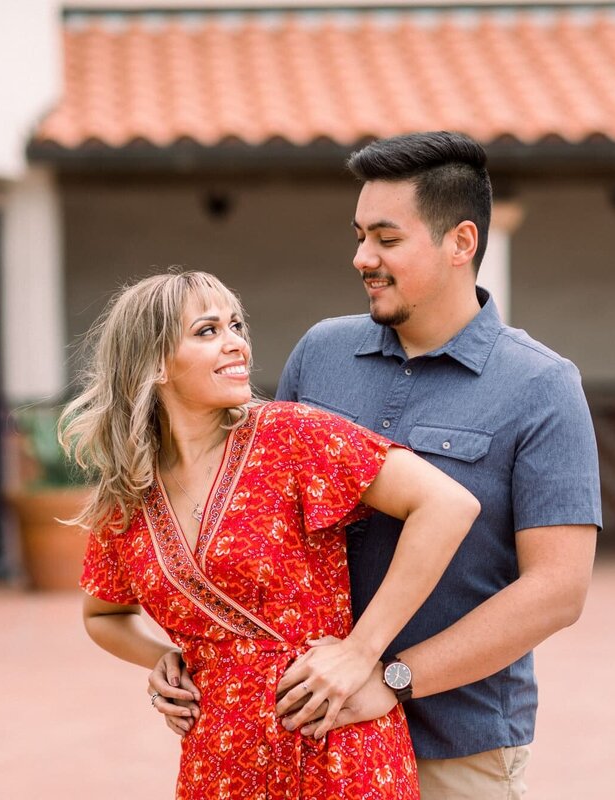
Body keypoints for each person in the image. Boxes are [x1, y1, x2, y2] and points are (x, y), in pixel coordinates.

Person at [150, 132, 602, 799]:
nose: (363, 257)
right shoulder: (321, 354)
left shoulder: (541, 386)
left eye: (387, 240)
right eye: (360, 235)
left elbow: (556, 591)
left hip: (457, 751)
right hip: (302, 740)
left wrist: (388, 673)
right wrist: (187, 651)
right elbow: (254, 526)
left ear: (461, 243)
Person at [64, 270, 480, 799]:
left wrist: (360, 651)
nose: (237, 342)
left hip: (336, 746)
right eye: (207, 331)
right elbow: (103, 615)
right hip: (217, 761)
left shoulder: (287, 435)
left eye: (236, 325)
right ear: (153, 363)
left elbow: (447, 505)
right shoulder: (127, 498)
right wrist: (161, 660)